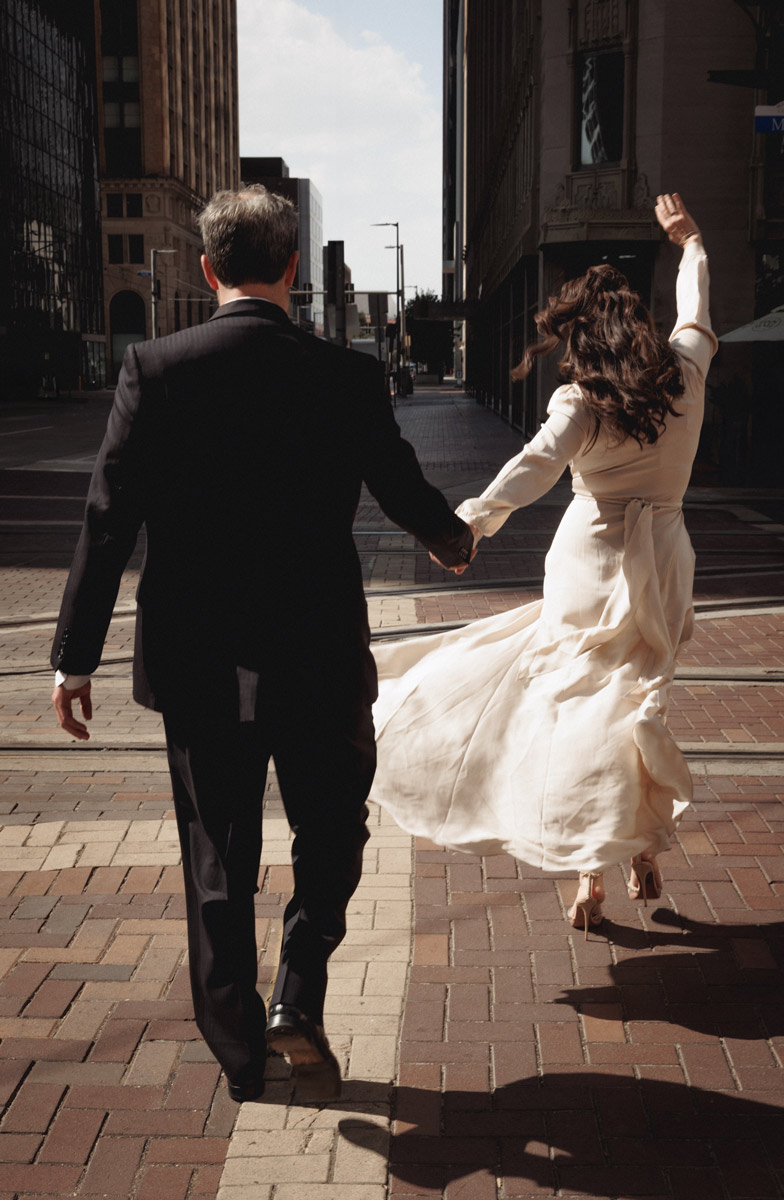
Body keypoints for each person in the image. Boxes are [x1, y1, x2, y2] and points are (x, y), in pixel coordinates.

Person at [50, 185, 473, 1102]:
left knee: (217, 857)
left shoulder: (155, 368)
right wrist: (454, 539)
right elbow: (401, 489)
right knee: (334, 826)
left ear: (207, 271)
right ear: (291, 269)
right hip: (317, 651)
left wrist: (74, 654)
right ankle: (301, 982)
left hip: (197, 657)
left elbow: (107, 516)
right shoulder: (346, 374)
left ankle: (242, 1053)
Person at [369, 193, 717, 938]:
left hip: (590, 567)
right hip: (665, 563)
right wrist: (690, 243)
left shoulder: (580, 400)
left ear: (580, 336)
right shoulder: (686, 370)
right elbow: (695, 308)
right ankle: (639, 849)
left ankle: (594, 865)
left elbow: (530, 470)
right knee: (635, 702)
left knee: (579, 713)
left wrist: (465, 527)